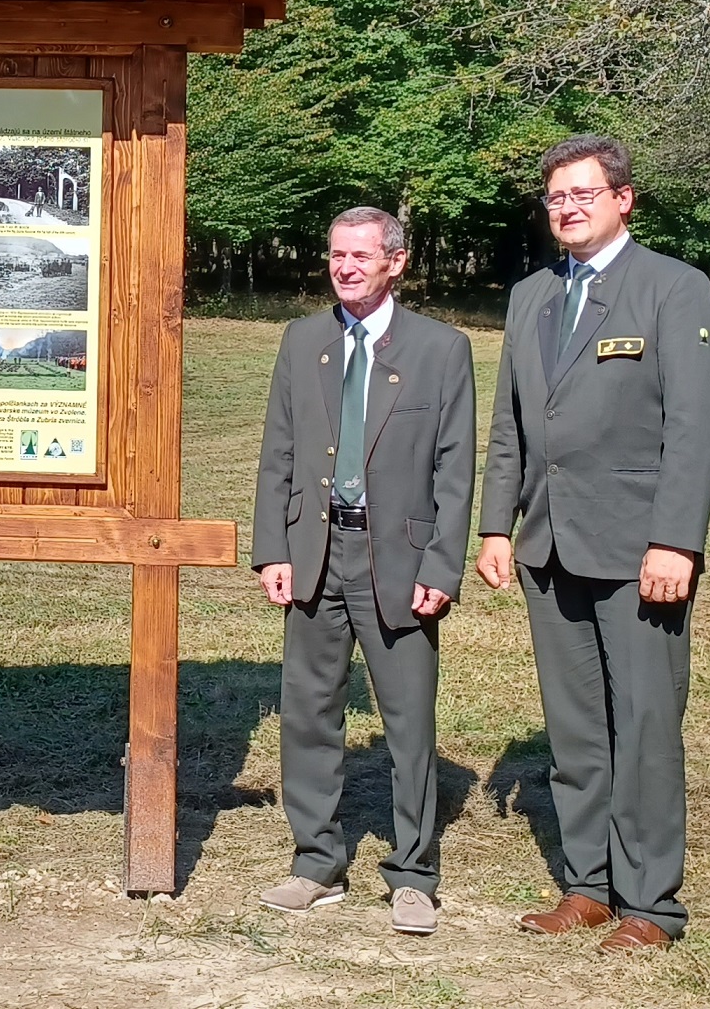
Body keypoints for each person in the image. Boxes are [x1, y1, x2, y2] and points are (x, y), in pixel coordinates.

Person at [476, 135, 710, 954]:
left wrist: (675, 542)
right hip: (550, 548)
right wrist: (494, 524)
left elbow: (697, 431)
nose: (569, 207)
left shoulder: (673, 290)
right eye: (556, 196)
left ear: (624, 198)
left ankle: (650, 903)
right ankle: (587, 885)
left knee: (647, 723)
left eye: (584, 193)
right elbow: (512, 425)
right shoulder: (530, 298)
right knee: (577, 727)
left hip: (638, 555)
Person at [251, 207, 478, 936]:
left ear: (396, 262)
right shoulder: (304, 340)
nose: (345, 266)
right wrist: (273, 549)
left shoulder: (443, 349)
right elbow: (278, 454)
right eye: (336, 254)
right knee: (308, 712)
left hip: (400, 561)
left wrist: (442, 564)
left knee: (408, 721)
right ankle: (316, 861)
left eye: (360, 255)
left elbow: (454, 469)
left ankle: (412, 873)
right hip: (317, 554)